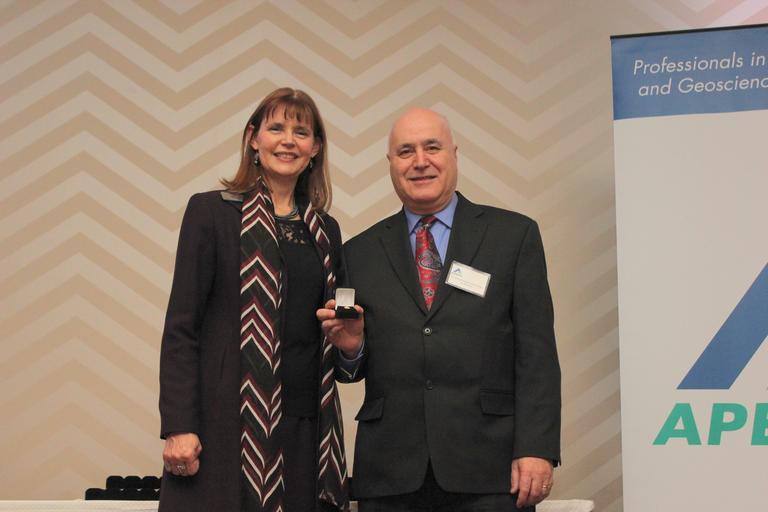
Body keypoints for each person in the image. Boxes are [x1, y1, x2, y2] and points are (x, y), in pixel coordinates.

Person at [318, 108, 561, 511]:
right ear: (391, 163)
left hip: (490, 469)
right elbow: (348, 370)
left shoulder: (513, 236)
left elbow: (537, 355)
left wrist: (536, 448)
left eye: (432, 147)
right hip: (390, 474)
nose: (420, 161)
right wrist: (352, 348)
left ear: (454, 154)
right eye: (405, 151)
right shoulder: (357, 252)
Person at [159, 88, 349, 512]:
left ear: (315, 148)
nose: (288, 141)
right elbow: (181, 329)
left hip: (306, 428)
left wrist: (351, 341)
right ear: (253, 138)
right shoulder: (210, 213)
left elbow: (339, 333)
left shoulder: (326, 231)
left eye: (301, 132)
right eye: (276, 128)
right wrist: (179, 425)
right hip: (226, 426)